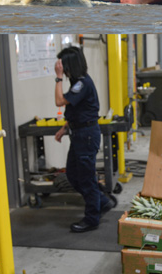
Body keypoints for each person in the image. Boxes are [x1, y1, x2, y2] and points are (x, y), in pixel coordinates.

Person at [53, 46, 114, 233]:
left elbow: (59, 101)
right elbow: (77, 110)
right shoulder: (78, 83)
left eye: (64, 65)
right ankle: (102, 202)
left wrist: (58, 78)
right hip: (79, 133)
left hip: (86, 135)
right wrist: (64, 128)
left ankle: (92, 218)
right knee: (73, 174)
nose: (62, 68)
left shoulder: (82, 83)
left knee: (86, 179)